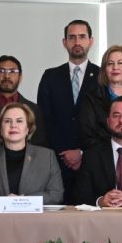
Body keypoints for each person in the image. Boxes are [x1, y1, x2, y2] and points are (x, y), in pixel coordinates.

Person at [37, 20, 100, 196]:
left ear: (91, 41)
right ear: (64, 42)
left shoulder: (103, 77)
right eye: (72, 37)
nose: (77, 42)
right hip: (56, 164)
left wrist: (82, 152)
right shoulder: (50, 76)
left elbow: (104, 124)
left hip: (93, 165)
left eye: (82, 37)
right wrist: (63, 154)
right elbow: (44, 120)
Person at [0, 103, 63, 204]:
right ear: (0, 129)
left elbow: (56, 195)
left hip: (35, 219)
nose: (13, 125)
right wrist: (3, 201)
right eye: (7, 121)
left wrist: (21, 201)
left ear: (28, 128)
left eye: (19, 121)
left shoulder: (47, 157)